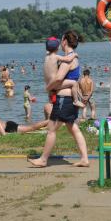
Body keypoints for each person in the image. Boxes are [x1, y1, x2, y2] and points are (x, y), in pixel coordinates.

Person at [29, 30, 89, 167]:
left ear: (65, 41)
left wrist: (49, 87)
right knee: (73, 128)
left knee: (51, 129)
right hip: (68, 99)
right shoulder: (72, 57)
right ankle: (84, 159)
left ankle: (43, 160)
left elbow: (58, 78)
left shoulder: (68, 59)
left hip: (64, 99)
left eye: (62, 39)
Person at [43, 36, 84, 108]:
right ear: (57, 48)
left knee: (51, 98)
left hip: (48, 82)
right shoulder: (56, 57)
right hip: (55, 84)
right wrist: (74, 55)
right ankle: (76, 101)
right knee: (74, 83)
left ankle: (51, 102)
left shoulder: (46, 57)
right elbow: (68, 59)